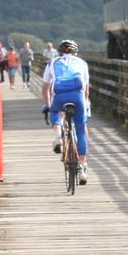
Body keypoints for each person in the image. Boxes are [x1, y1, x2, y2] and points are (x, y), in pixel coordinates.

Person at [41, 39, 91, 184]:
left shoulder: (52, 62)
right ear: (76, 52)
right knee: (81, 131)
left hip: (60, 96)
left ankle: (58, 137)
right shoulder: (82, 63)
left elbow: (45, 89)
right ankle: (82, 168)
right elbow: (86, 90)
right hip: (78, 97)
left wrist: (48, 105)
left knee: (55, 111)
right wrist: (85, 105)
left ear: (59, 51)